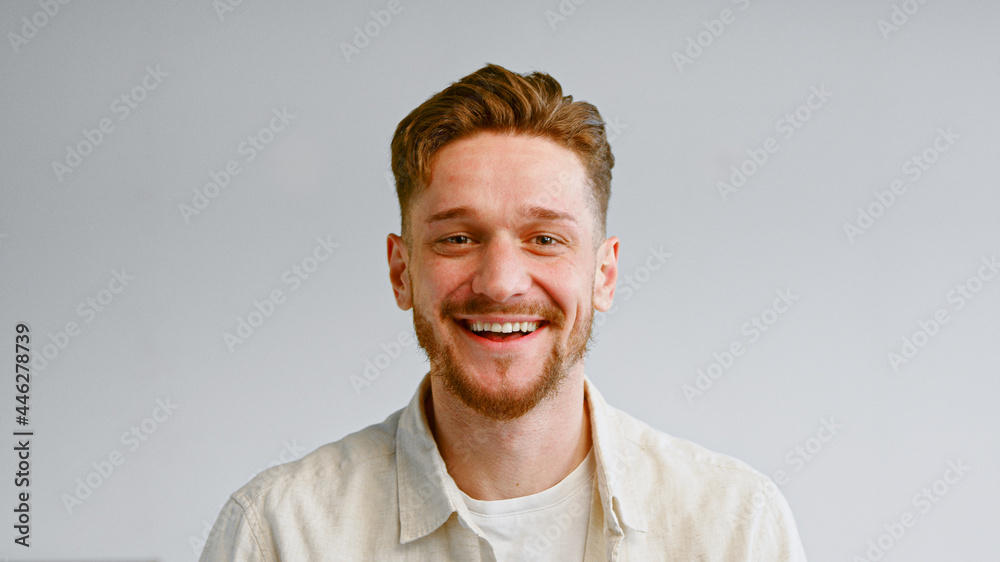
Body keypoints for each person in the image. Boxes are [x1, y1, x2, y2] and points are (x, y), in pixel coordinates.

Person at [201, 63, 807, 561]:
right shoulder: (279, 534)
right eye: (458, 238)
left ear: (604, 272)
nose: (501, 283)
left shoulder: (735, 529)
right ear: (401, 270)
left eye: (545, 238)